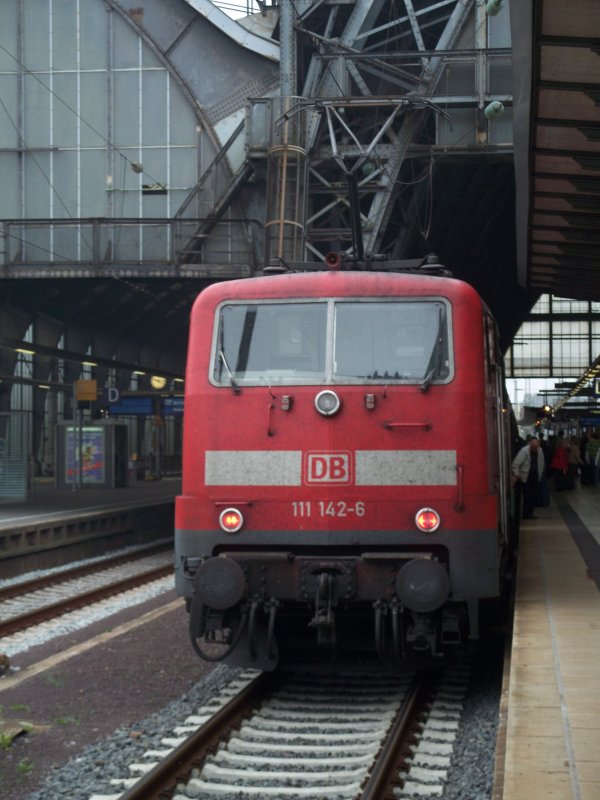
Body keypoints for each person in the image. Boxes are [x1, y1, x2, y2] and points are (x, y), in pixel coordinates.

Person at [512, 437, 545, 520]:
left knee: (533, 495)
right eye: (534, 447)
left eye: (536, 447)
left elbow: (541, 461)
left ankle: (530, 512)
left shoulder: (539, 450)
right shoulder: (524, 452)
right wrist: (517, 474)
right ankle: (526, 513)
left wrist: (540, 472)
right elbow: (516, 464)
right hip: (526, 477)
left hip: (535, 475)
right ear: (530, 445)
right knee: (528, 496)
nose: (535, 449)